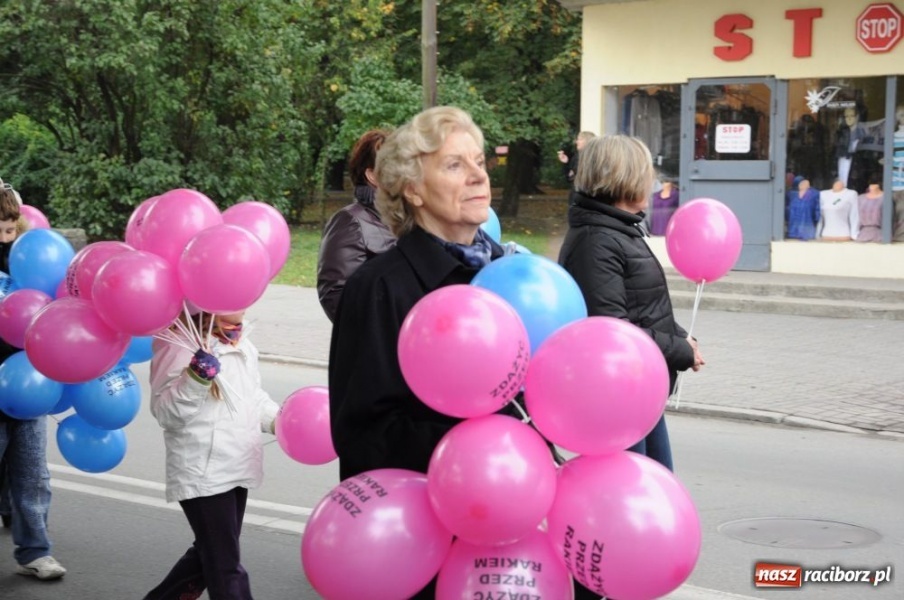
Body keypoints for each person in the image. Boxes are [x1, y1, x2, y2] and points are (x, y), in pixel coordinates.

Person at [328, 106, 527, 599]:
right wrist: (478, 453)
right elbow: (363, 435)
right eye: (455, 165)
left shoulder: (512, 278)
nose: (480, 175)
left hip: (514, 522)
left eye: (480, 161)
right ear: (413, 189)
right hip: (424, 544)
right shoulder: (379, 289)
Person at [145, 309, 280, 600]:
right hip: (202, 471)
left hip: (237, 463)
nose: (243, 301)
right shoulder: (178, 341)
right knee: (225, 567)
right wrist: (196, 377)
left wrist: (279, 419)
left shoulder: (241, 342)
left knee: (208, 557)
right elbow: (166, 413)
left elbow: (251, 398)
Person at [0, 186, 67, 580]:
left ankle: (35, 553)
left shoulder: (30, 258)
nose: (5, 237)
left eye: (10, 228)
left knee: (32, 475)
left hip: (29, 386)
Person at [317, 129, 396, 322]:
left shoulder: (407, 221)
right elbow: (335, 298)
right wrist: (385, 330)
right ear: (372, 176)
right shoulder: (350, 221)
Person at [785, 175, 820, 241]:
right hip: (794, 231)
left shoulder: (814, 194)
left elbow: (817, 213)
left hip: (807, 231)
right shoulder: (790, 194)